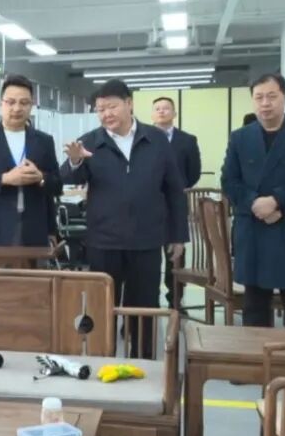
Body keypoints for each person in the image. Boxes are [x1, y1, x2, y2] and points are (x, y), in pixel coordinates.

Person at [61, 80, 189, 358]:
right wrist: (75, 161)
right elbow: (68, 178)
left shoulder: (156, 140)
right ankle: (101, 362)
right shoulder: (90, 141)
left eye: (112, 107)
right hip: (104, 241)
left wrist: (178, 235)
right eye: (100, 109)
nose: (106, 114)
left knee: (144, 308)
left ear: (129, 103)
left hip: (146, 240)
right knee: (102, 308)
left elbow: (174, 190)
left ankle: (143, 364)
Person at [221, 73, 285, 329]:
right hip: (252, 228)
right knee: (254, 306)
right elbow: (229, 181)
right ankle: (256, 354)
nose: (265, 103)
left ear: (284, 97)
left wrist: (276, 201)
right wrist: (257, 204)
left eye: (271, 96)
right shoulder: (240, 137)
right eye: (259, 97)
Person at [0, 74, 61, 247]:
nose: (17, 108)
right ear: (1, 104)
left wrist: (41, 178)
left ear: (31, 106)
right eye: (11, 102)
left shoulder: (44, 141)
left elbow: (57, 185)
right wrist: (5, 179)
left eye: (24, 103)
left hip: (34, 232)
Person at [151, 96, 202, 309]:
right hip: (149, 204)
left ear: (174, 113)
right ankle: (150, 300)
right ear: (152, 114)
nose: (162, 111)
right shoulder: (144, 138)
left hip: (175, 205)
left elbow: (194, 171)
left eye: (166, 108)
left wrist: (176, 189)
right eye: (157, 108)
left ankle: (175, 300)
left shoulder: (187, 140)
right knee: (149, 256)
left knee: (176, 255)